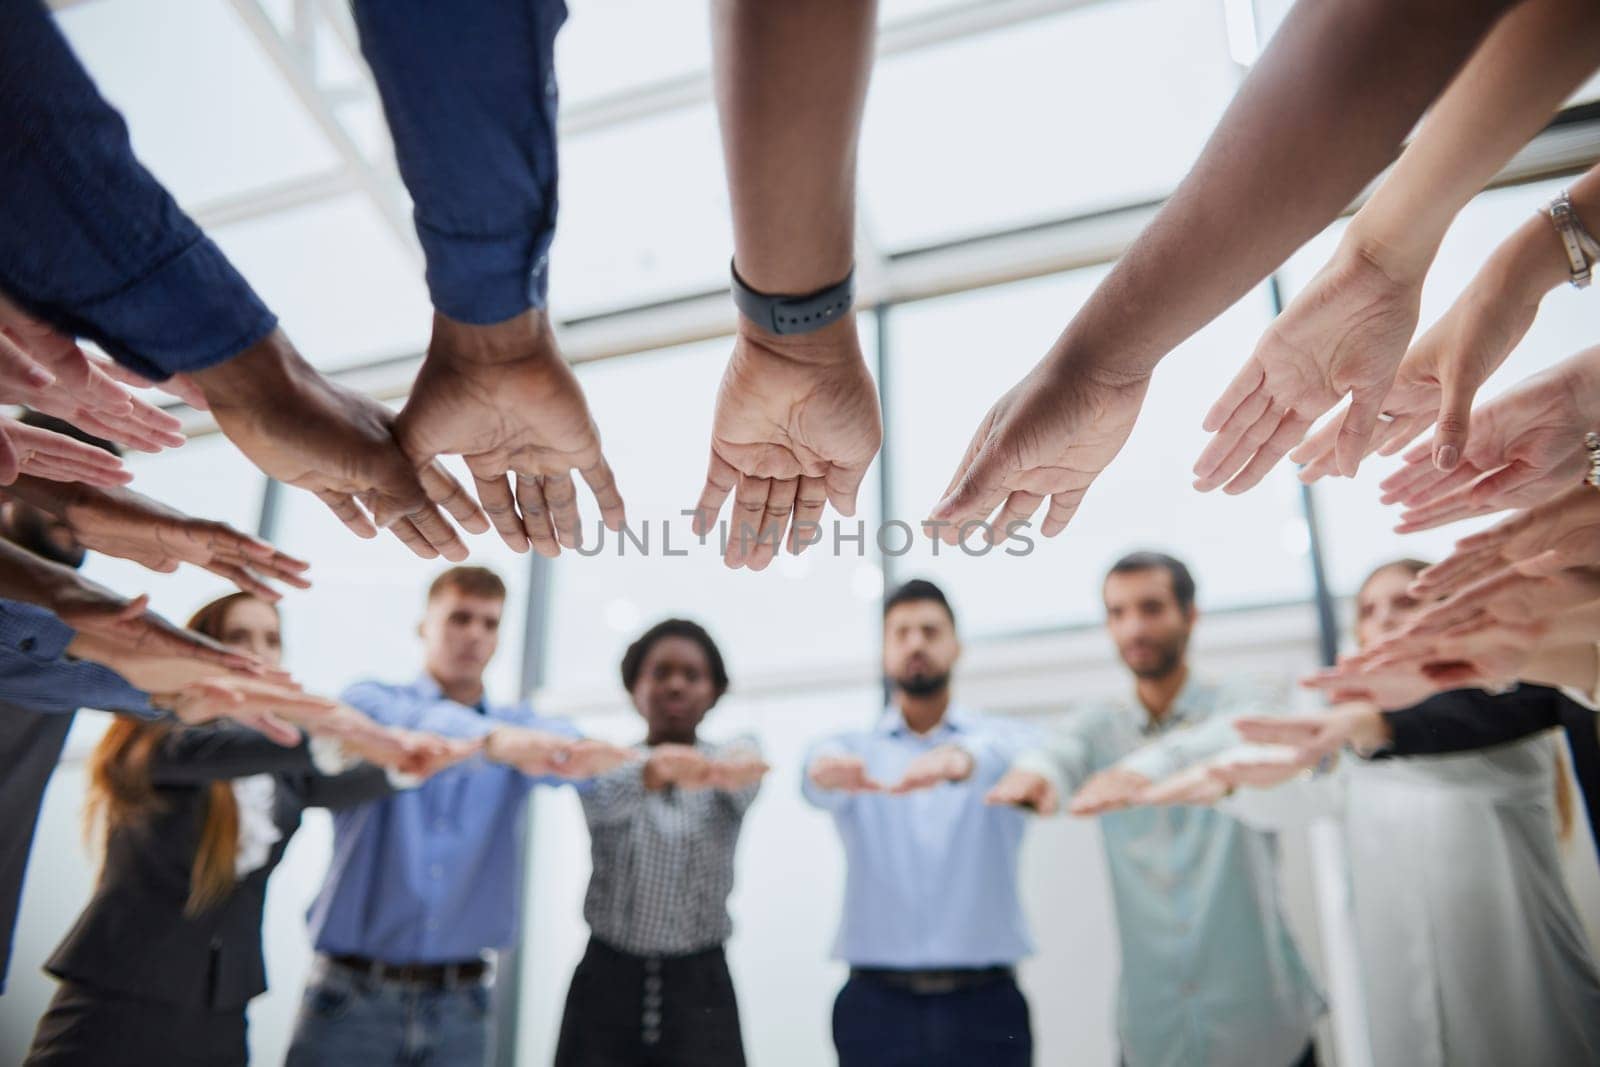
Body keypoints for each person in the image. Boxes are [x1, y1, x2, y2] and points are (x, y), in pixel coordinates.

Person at [1146, 560, 1600, 1067]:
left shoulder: (1504, 707)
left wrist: (1366, 728)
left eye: (1406, 602)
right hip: (1401, 1011)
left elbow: (1452, 749)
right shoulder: (1347, 734)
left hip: (1530, 1007)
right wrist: (1229, 780)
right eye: (1369, 609)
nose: (1385, 617)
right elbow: (1297, 797)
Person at [22, 592, 463, 1066]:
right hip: (120, 995)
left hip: (223, 1006)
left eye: (271, 639)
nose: (258, 650)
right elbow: (246, 753)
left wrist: (406, 763)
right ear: (202, 646)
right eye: (239, 637)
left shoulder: (282, 770)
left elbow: (334, 780)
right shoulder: (157, 735)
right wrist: (332, 730)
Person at [285, 566, 632, 1067]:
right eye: (460, 618)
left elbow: (573, 755)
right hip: (349, 1001)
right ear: (423, 625)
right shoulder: (372, 702)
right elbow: (417, 727)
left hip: (461, 1008)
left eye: (490, 624)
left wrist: (595, 756)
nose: (475, 635)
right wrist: (495, 744)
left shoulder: (519, 728)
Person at [987, 552, 1324, 1067]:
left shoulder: (1244, 694)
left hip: (1264, 1027)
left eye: (1150, 608)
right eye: (1117, 613)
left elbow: (1251, 727)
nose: (1133, 628)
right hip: (1153, 1032)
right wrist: (1038, 774)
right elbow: (1061, 750)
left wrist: (1153, 765)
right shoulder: (1101, 726)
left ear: (1190, 615)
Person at [802, 579, 1036, 1067]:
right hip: (874, 1007)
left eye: (930, 631)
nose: (916, 644)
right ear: (884, 651)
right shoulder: (852, 750)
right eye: (901, 633)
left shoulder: (1002, 742)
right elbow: (814, 778)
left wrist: (963, 759)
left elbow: (1036, 756)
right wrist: (824, 769)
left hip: (987, 1006)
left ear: (957, 645)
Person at [554, 618, 767, 1066]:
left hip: (702, 985)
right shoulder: (606, 764)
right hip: (606, 982)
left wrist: (705, 767)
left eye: (692, 675)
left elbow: (746, 773)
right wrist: (660, 768)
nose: (675, 685)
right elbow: (603, 795)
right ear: (635, 686)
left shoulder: (733, 759)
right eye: (660, 672)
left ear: (714, 691)